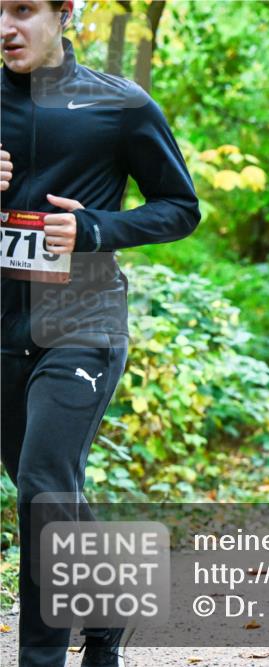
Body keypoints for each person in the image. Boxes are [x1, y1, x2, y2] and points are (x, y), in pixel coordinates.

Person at [1, 1, 200, 664]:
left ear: (65, 13)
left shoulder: (120, 104)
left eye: (23, 9)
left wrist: (94, 230)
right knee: (49, 494)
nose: (6, 26)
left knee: (42, 484)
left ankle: (40, 658)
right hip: (3, 331)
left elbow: (181, 207)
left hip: (81, 326)